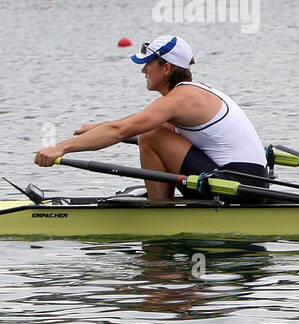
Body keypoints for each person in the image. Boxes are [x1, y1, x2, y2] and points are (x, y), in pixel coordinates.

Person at [34, 35, 269, 202]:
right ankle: (160, 203)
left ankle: (159, 208)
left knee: (151, 136)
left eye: (147, 64)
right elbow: (131, 123)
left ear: (166, 68)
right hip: (251, 183)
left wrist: (59, 148)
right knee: (153, 132)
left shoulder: (180, 98)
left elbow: (121, 131)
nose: (143, 71)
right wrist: (99, 127)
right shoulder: (192, 92)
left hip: (235, 186)